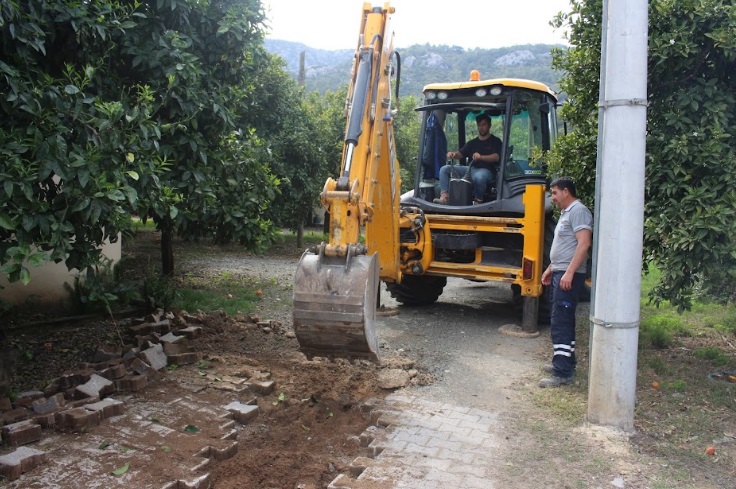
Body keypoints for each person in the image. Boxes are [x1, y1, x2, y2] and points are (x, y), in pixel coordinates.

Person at [539, 177, 593, 388]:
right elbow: (565, 245)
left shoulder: (578, 211)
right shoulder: (567, 213)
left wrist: (569, 273)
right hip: (559, 271)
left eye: (554, 193)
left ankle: (562, 373)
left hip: (568, 274)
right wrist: (551, 267)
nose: (553, 198)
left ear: (566, 191)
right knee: (561, 318)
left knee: (561, 320)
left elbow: (583, 243)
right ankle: (566, 361)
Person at [433, 113, 502, 205]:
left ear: (489, 125)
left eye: (484, 124)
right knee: (444, 169)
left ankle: (478, 201)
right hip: (470, 169)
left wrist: (481, 157)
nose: (481, 127)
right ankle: (445, 197)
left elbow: (496, 157)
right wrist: (453, 154)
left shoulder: (495, 141)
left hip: (487, 170)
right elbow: (460, 154)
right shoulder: (472, 143)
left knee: (479, 177)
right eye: (479, 125)